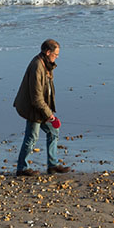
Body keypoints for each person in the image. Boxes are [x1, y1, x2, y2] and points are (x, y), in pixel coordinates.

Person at [13, 38, 69, 176]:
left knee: (53, 131)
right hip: (32, 108)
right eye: (55, 54)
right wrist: (49, 114)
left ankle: (52, 165)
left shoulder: (47, 64)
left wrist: (49, 113)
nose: (57, 57)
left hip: (41, 108)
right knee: (32, 137)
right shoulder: (37, 66)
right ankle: (22, 168)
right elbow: (36, 98)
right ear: (48, 52)